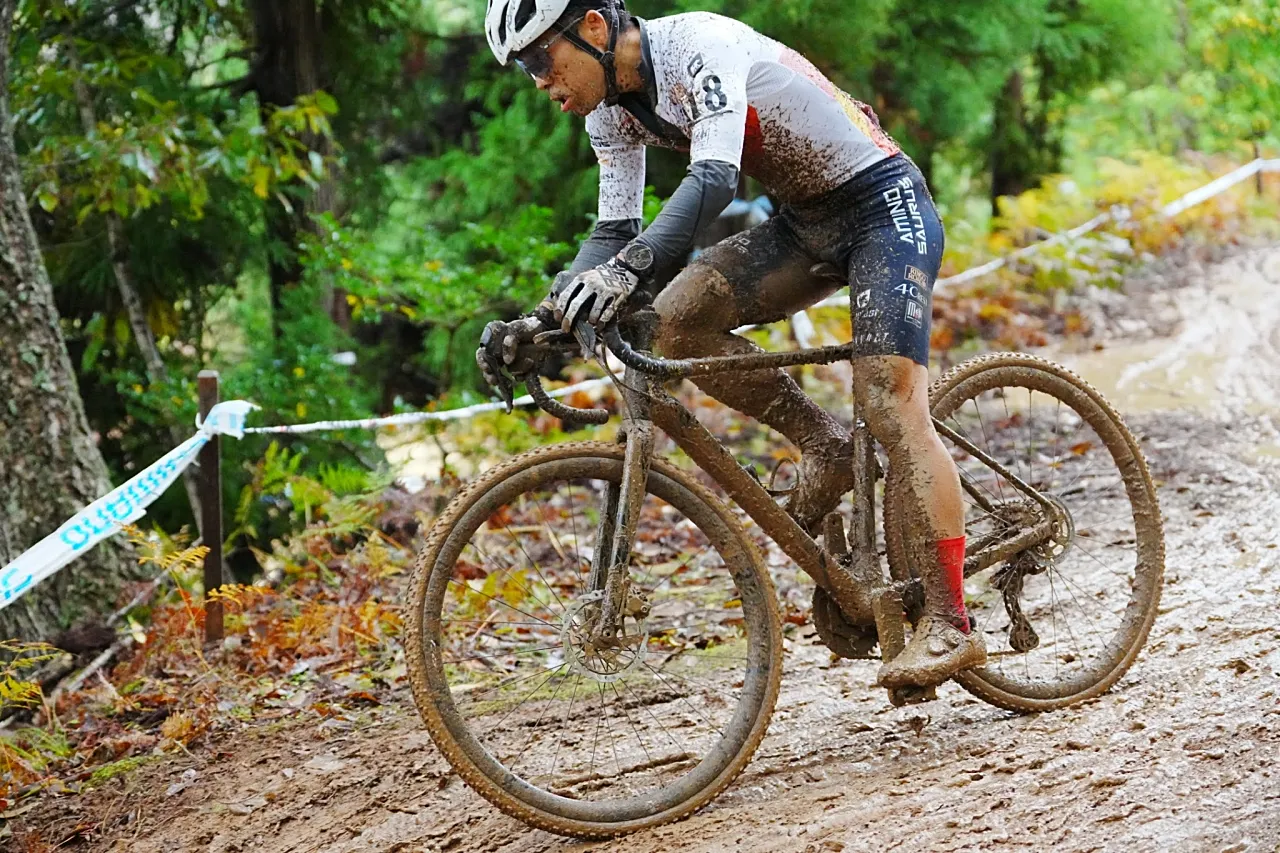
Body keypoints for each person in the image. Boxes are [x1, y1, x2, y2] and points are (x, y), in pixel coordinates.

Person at [474, 0, 984, 688]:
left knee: (890, 404)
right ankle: (826, 445)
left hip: (882, 209)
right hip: (804, 223)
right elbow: (613, 232)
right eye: (525, 68)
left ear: (593, 26)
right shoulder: (610, 113)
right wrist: (540, 319)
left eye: (541, 57)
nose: (539, 80)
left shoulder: (698, 44)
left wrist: (627, 271)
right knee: (676, 323)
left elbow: (714, 178)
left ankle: (951, 622)